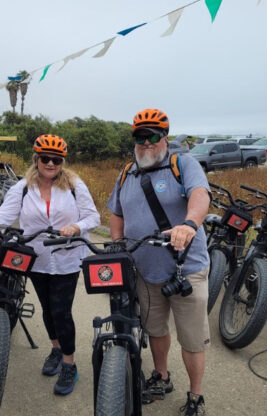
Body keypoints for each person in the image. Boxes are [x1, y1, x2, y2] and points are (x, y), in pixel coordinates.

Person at [0, 134, 100, 395]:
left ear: (62, 162)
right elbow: (3, 216)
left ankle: (70, 365)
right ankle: (56, 349)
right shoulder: (23, 187)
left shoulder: (74, 185)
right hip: (37, 259)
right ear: (36, 159)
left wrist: (76, 227)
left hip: (68, 257)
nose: (50, 163)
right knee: (47, 308)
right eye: (45, 158)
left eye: (56, 160)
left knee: (61, 311)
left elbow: (93, 216)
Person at [107, 108, 211, 416]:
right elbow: (116, 213)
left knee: (192, 339)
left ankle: (196, 396)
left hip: (185, 270)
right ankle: (162, 376)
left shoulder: (183, 164)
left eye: (153, 136)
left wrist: (189, 225)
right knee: (155, 330)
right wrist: (116, 244)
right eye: (140, 137)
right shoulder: (127, 173)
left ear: (164, 138)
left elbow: (200, 195)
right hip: (145, 271)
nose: (146, 143)